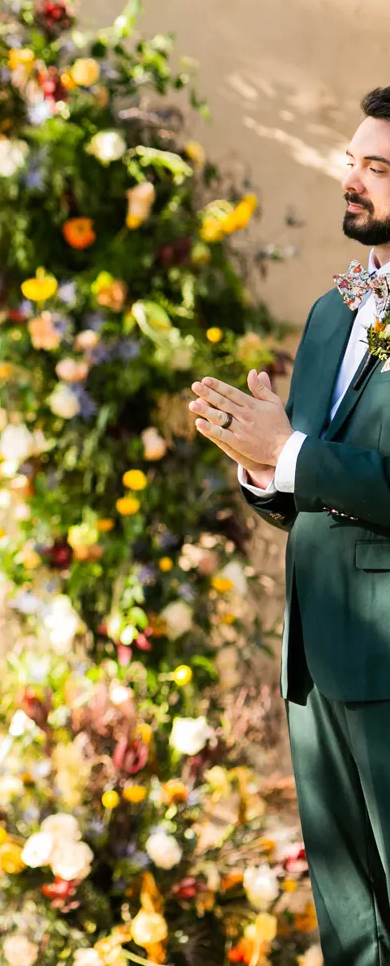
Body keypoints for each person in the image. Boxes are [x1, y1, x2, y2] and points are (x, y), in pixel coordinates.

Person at [192, 86, 390, 964]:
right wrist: (261, 460)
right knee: (350, 919)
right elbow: (304, 479)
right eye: (353, 160)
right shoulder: (331, 311)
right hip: (314, 656)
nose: (353, 180)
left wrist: (295, 453)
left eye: (378, 168)